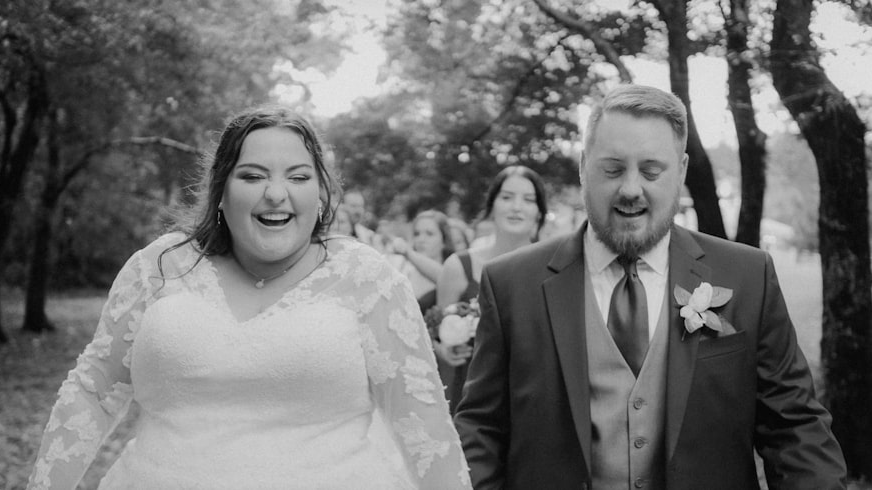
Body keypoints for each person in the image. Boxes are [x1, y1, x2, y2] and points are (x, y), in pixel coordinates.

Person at [27, 105, 471, 489]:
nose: (275, 193)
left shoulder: (368, 278)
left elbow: (424, 427)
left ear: (320, 194)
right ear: (221, 191)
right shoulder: (158, 268)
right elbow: (92, 391)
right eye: (253, 175)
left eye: (298, 176)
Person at [453, 84, 846, 489]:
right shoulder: (511, 284)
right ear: (584, 166)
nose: (630, 189)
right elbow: (481, 431)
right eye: (612, 169)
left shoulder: (748, 275)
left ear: (683, 170)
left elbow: (794, 428)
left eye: (651, 170)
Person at [435, 165, 548, 414]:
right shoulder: (458, 267)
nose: (516, 207)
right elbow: (437, 334)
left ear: (539, 212)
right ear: (492, 205)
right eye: (507, 197)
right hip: (470, 399)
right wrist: (445, 349)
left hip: (533, 400)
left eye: (528, 200)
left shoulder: (553, 268)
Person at [389, 210, 456, 314]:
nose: (421, 239)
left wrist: (407, 252)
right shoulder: (401, 269)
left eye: (429, 234)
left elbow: (444, 278)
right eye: (417, 234)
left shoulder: (452, 271)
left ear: (444, 240)